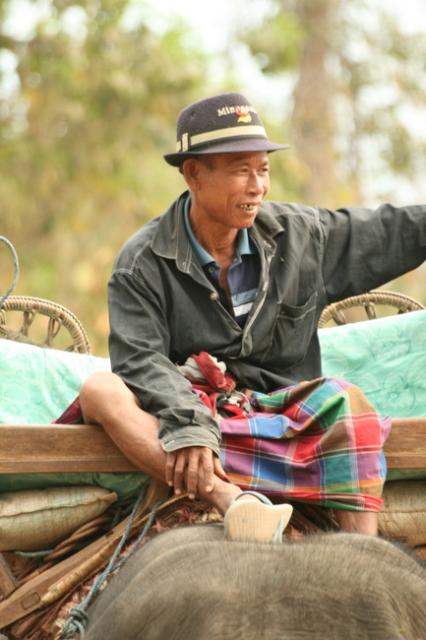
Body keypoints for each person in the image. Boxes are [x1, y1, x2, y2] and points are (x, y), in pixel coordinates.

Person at [78, 92, 426, 542]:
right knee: (99, 389)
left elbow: (391, 231)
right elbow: (140, 362)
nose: (257, 186)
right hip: (197, 426)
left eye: (262, 170)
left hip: (282, 422)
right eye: (241, 170)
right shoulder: (141, 262)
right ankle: (228, 499)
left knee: (348, 402)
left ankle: (364, 553)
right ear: (193, 174)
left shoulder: (302, 237)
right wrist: (188, 424)